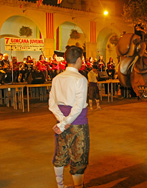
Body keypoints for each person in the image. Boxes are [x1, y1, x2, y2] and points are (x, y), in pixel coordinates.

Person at [49, 46, 89, 188]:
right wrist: (65, 121)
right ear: (79, 59)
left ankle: (60, 185)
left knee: (60, 153)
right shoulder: (81, 79)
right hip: (77, 123)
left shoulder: (57, 78)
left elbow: (52, 104)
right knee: (79, 157)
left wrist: (61, 121)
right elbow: (78, 107)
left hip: (62, 121)